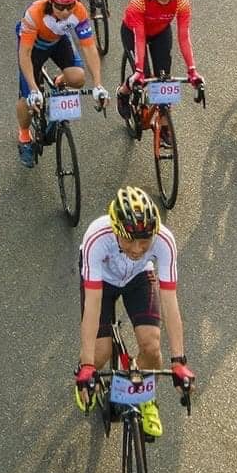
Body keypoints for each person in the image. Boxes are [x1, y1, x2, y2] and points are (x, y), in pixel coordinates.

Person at [74, 188, 192, 442]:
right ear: (116, 230)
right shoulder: (98, 237)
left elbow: (170, 302)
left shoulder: (163, 240)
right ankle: (86, 371)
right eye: (129, 240)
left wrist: (179, 361)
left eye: (144, 242)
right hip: (102, 282)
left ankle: (143, 395)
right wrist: (86, 365)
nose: (137, 248)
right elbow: (92, 305)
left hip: (138, 277)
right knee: (100, 353)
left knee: (151, 346)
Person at [14, 0, 106, 166]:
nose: (65, 11)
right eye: (60, 6)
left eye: (70, 5)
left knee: (78, 79)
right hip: (34, 47)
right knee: (27, 101)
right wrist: (32, 88)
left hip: (57, 40)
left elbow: (89, 47)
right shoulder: (34, 14)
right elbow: (25, 54)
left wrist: (98, 84)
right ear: (50, 1)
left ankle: (58, 81)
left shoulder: (79, 12)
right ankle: (23, 136)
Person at [118, 0, 202, 123]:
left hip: (160, 32)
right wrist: (140, 71)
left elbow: (184, 36)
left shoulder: (181, 1)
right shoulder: (139, 1)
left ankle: (164, 125)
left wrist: (192, 70)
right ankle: (122, 93)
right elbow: (139, 37)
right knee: (145, 77)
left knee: (164, 79)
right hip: (133, 33)